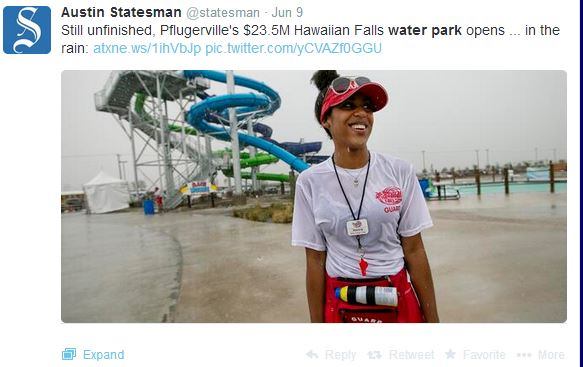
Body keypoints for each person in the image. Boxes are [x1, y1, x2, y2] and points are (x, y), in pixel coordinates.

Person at [291, 71, 439, 323]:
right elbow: (315, 260)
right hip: (341, 300)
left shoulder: (399, 171)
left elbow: (414, 250)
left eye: (367, 107)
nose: (361, 114)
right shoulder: (310, 182)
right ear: (326, 119)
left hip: (396, 295)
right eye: (348, 105)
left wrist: (433, 322)